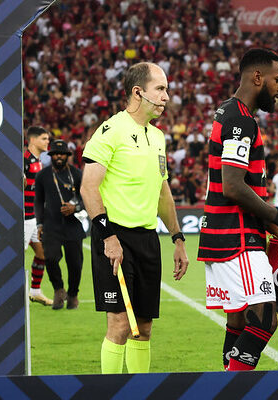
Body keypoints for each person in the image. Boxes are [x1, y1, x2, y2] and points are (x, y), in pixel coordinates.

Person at [196, 48, 278, 372]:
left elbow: (241, 185)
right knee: (263, 318)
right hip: (236, 238)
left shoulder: (231, 113)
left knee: (239, 318)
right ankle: (234, 384)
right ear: (257, 77)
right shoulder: (239, 120)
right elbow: (232, 185)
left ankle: (228, 381)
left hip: (228, 234)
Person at [80, 62, 190, 374]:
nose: (167, 96)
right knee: (119, 324)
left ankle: (140, 390)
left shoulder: (158, 137)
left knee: (143, 326)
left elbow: (162, 191)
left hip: (147, 239)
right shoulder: (110, 130)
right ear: (138, 92)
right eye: (161, 89)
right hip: (115, 238)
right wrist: (108, 237)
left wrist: (178, 238)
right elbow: (89, 187)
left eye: (167, 89)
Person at [34, 140, 85, 310]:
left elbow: (87, 198)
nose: (58, 156)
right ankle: (58, 289)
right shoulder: (42, 175)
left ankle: (73, 294)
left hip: (73, 225)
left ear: (67, 156)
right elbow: (38, 202)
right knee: (51, 259)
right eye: (55, 153)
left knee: (75, 263)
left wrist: (75, 207)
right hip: (51, 225)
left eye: (62, 154)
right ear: (51, 155)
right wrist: (40, 224)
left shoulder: (77, 174)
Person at [24, 126, 52, 306]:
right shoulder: (24, 160)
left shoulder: (39, 161)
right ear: (32, 140)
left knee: (42, 253)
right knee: (15, 258)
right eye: (44, 138)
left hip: (34, 217)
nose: (47, 142)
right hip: (24, 218)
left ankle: (35, 291)